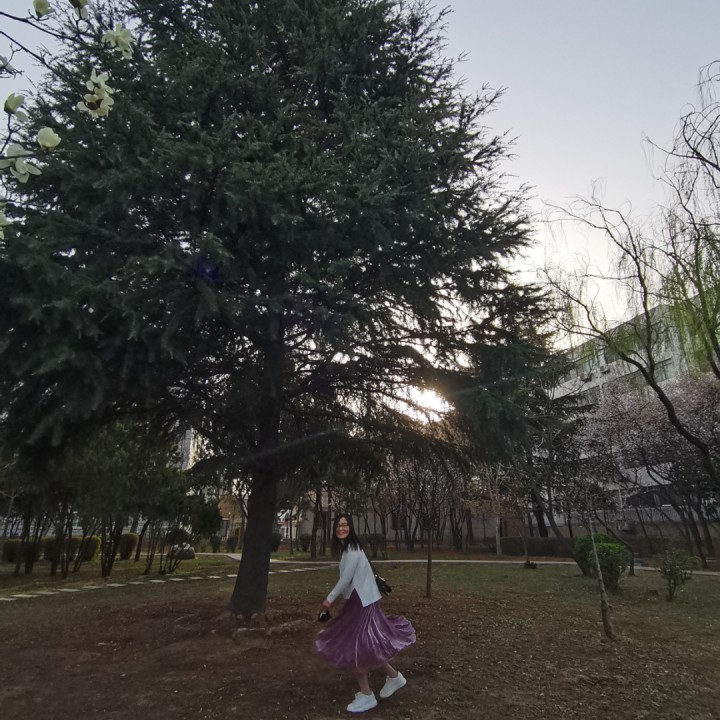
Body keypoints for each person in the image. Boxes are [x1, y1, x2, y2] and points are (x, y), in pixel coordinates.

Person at [315, 513, 416, 714]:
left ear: (351, 527)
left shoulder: (352, 550)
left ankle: (367, 695)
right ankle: (394, 677)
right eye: (338, 525)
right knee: (368, 644)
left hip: (361, 602)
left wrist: (329, 600)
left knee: (355, 647)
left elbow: (345, 579)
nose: (341, 528)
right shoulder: (349, 549)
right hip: (362, 600)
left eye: (345, 525)